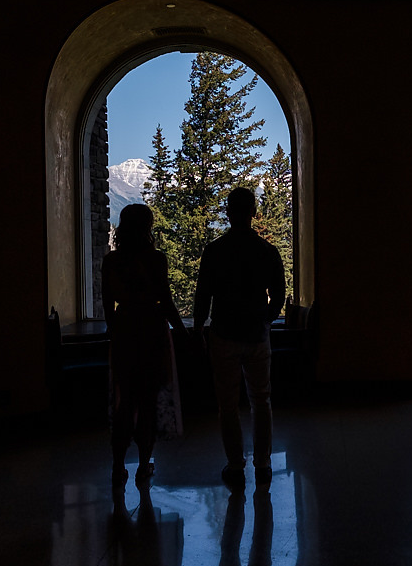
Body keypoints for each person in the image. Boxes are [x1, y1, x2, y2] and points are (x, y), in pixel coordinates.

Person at [194, 187, 285, 489]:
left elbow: (203, 295)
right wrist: (266, 319)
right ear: (254, 212)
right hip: (257, 335)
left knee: (228, 404)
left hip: (223, 334)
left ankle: (235, 464)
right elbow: (279, 295)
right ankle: (264, 463)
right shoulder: (266, 251)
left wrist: (198, 330)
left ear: (228, 212)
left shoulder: (215, 251)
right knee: (261, 400)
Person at [103, 203, 187, 487]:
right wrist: (182, 331)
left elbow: (106, 304)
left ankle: (117, 466)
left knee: (124, 399)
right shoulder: (156, 259)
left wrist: (115, 331)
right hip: (152, 330)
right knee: (148, 401)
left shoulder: (111, 262)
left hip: (124, 329)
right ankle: (143, 465)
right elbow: (165, 300)